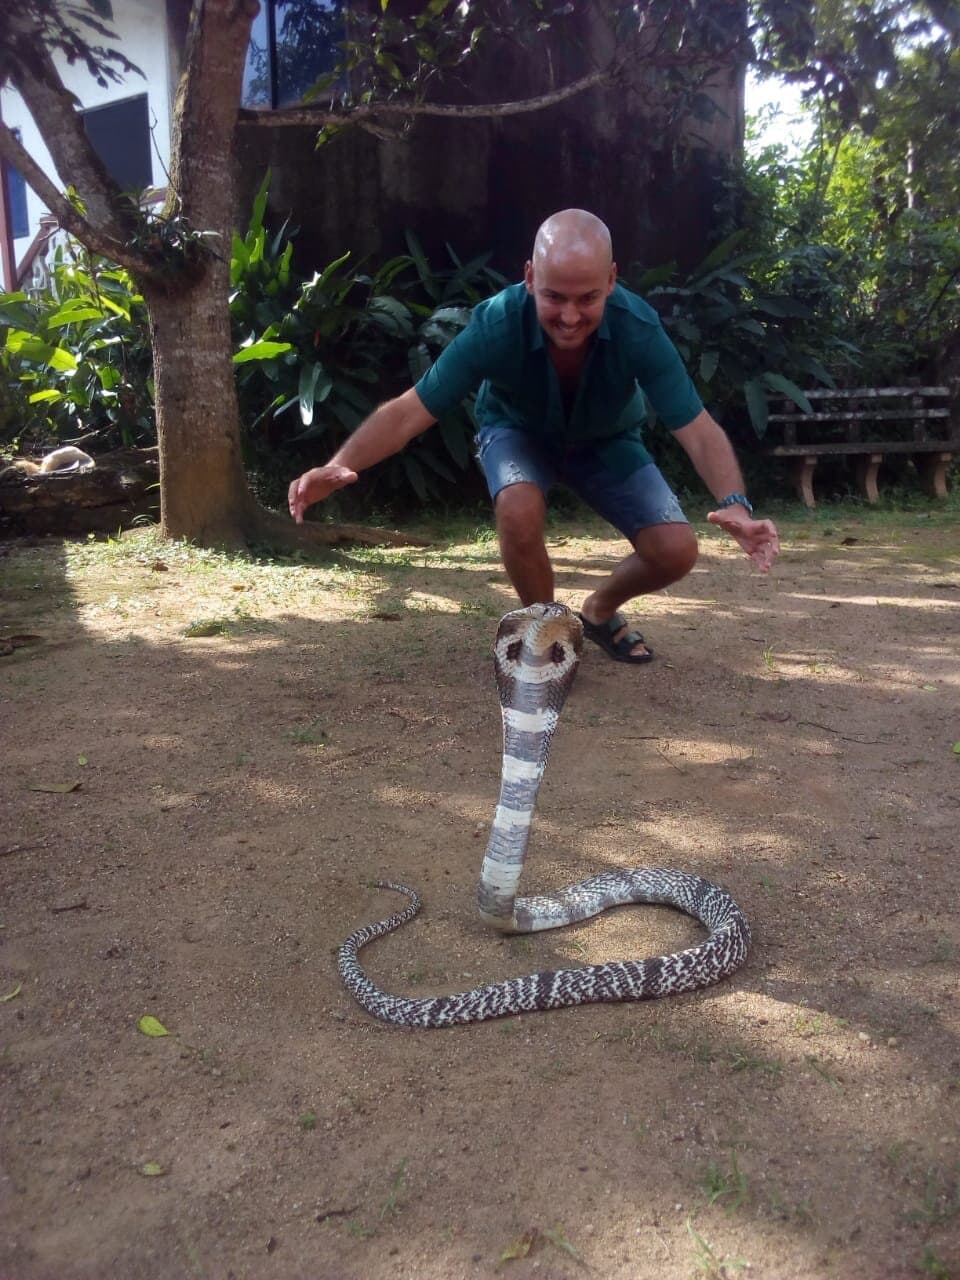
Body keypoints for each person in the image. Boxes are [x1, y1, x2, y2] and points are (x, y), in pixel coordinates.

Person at [289, 209, 780, 664]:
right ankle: (550, 630)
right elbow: (410, 411)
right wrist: (340, 462)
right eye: (554, 297)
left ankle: (599, 611)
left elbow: (696, 429)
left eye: (587, 298)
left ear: (611, 280)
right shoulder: (496, 323)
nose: (570, 317)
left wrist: (735, 503)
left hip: (606, 441)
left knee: (677, 550)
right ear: (530, 278)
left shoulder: (637, 328)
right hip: (517, 432)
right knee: (518, 509)